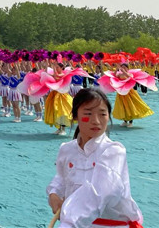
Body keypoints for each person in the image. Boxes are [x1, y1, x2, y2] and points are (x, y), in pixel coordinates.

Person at [47, 87, 144, 228]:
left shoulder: (113, 152)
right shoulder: (66, 149)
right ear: (75, 116)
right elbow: (61, 178)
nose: (96, 121)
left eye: (102, 114)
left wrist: (68, 223)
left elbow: (99, 192)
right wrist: (54, 194)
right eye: (88, 114)